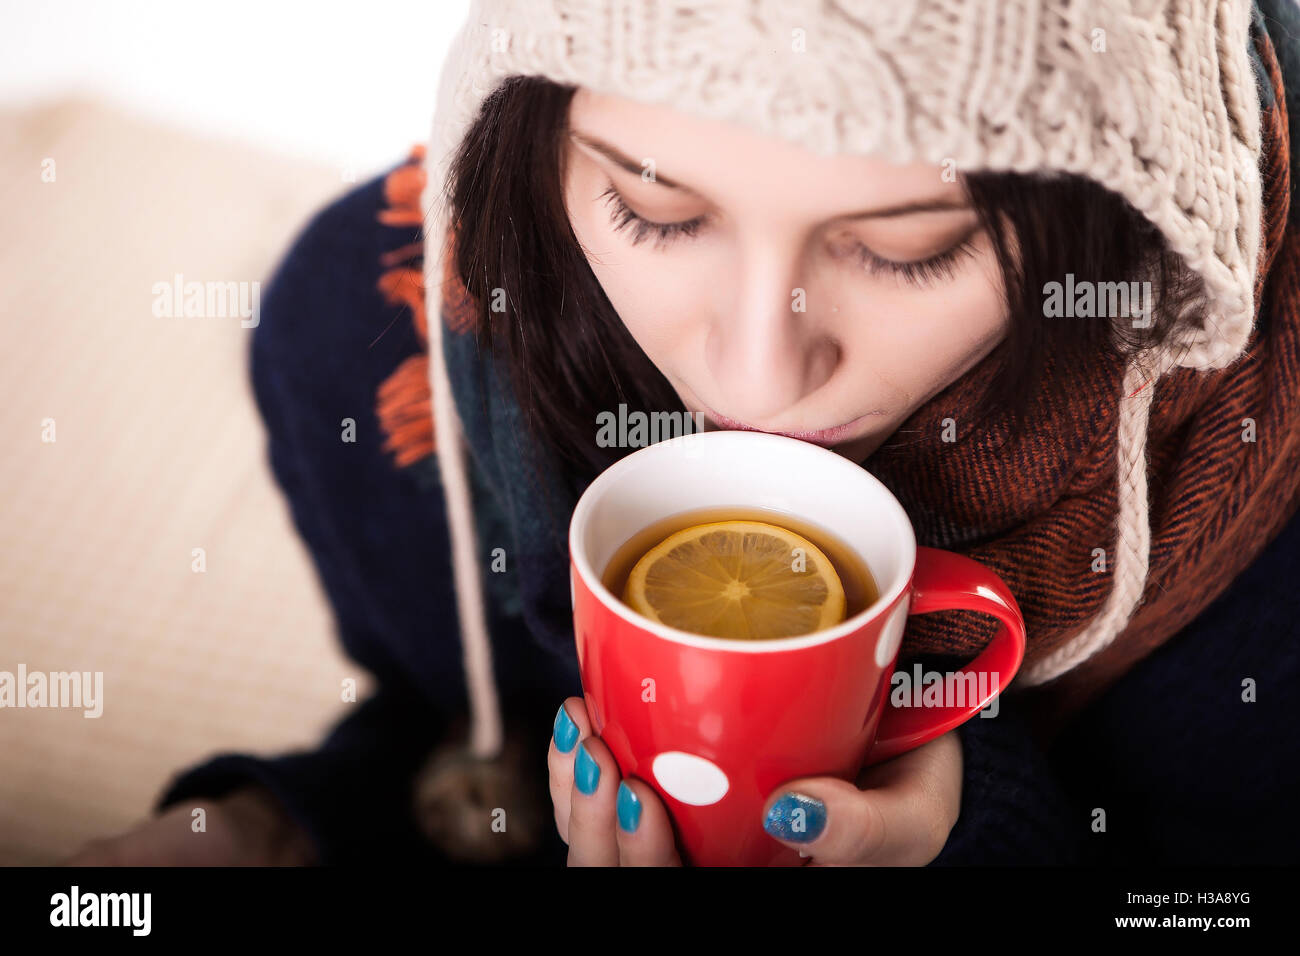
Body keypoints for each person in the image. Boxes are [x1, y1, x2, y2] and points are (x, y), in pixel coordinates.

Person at [65, 0, 1300, 867]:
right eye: (653, 207)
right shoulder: (373, 351)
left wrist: (977, 842)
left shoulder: (1263, 465)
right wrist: (305, 823)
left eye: (908, 245)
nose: (759, 370)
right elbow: (457, 720)